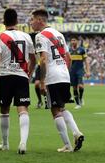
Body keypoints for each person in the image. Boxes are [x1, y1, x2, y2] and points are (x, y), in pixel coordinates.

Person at [30, 9, 84, 152]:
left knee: (55, 110)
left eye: (32, 19)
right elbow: (68, 58)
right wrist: (64, 70)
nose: (31, 23)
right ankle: (76, 132)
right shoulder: (59, 34)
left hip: (52, 76)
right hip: (64, 75)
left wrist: (42, 81)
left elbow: (43, 59)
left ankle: (67, 145)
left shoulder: (40, 36)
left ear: (40, 20)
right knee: (62, 107)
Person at [0, 8, 36, 154]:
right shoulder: (26, 37)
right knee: (23, 109)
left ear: (3, 21)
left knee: (4, 110)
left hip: (6, 76)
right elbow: (34, 58)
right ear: (17, 21)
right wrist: (30, 73)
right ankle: (23, 142)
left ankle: (5, 143)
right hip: (22, 76)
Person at [69, 37, 90, 109]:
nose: (73, 41)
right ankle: (78, 104)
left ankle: (80, 98)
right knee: (74, 87)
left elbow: (86, 61)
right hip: (72, 71)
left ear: (77, 41)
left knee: (80, 86)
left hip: (80, 70)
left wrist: (88, 71)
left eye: (74, 40)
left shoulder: (81, 50)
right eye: (72, 40)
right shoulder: (69, 50)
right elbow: (68, 61)